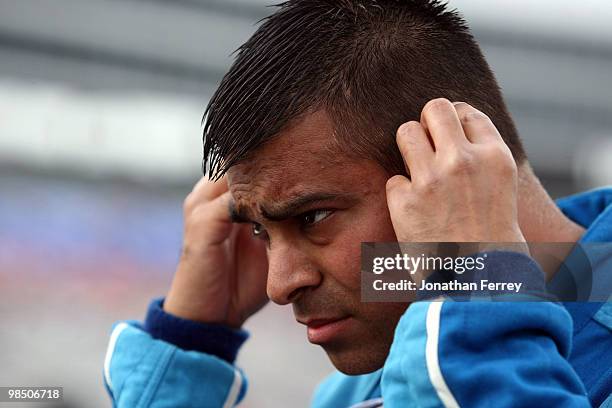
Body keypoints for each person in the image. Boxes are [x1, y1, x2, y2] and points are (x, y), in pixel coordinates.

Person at [103, 1, 612, 407]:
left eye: (313, 218)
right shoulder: (360, 389)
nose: (278, 286)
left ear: (448, 167)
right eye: (261, 231)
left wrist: (476, 279)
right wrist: (190, 343)